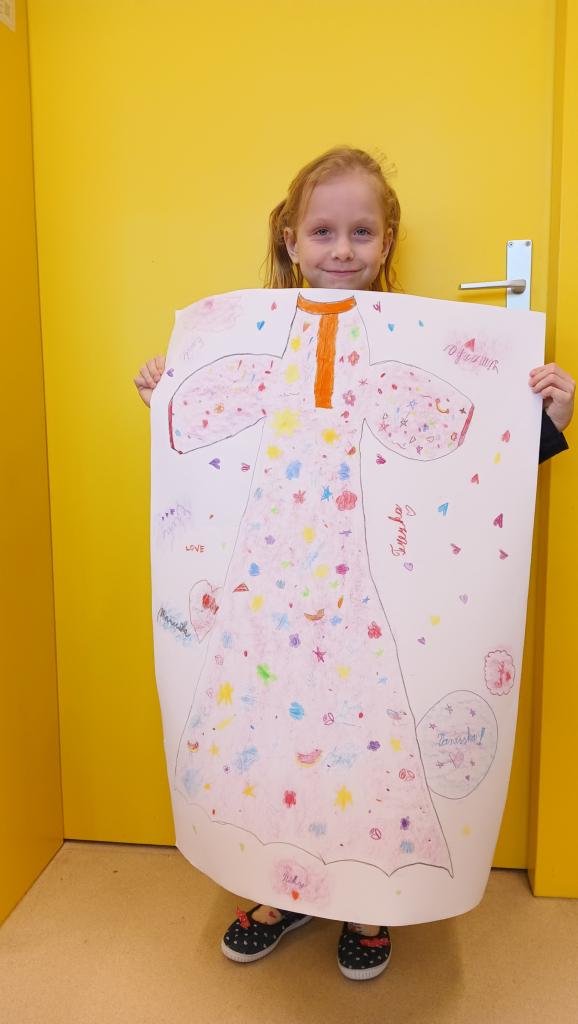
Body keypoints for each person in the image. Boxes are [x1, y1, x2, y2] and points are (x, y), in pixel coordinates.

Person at [135, 147, 575, 981]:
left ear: (387, 241)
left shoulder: (416, 340)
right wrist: (168, 392)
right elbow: (208, 432)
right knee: (268, 722)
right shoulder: (255, 331)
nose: (343, 249)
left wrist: (543, 422)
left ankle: (368, 903)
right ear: (292, 240)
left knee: (352, 726)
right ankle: (278, 890)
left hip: (347, 579)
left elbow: (462, 462)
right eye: (324, 231)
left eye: (362, 232)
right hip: (267, 578)